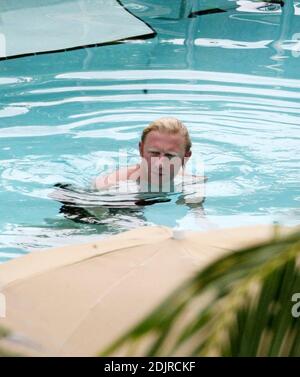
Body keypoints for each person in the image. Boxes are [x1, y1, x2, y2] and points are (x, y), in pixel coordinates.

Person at [92, 117, 206, 204]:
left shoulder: (193, 184)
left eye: (170, 156)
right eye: (154, 153)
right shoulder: (108, 186)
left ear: (185, 157)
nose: (160, 164)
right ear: (141, 150)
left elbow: (200, 220)